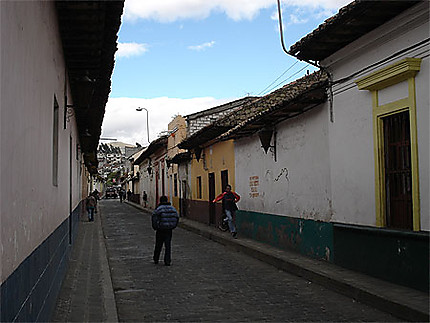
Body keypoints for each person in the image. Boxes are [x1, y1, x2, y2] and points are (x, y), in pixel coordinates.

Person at [151, 196, 179, 266]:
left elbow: (154, 218)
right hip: (169, 230)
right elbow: (177, 217)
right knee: (168, 245)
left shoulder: (158, 209)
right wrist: (173, 226)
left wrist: (155, 227)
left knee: (158, 245)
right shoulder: (172, 208)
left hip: (160, 229)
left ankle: (156, 258)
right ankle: (167, 261)